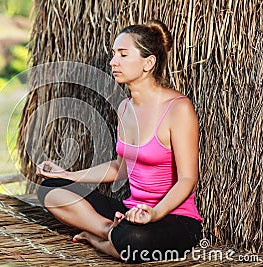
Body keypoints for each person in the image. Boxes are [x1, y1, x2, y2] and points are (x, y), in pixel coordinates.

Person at [36, 20, 203, 263]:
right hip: (129, 211)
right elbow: (120, 168)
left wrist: (154, 213)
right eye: (114, 54)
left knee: (133, 239)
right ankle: (107, 231)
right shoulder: (125, 108)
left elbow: (188, 179)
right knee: (51, 190)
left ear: (149, 63)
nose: (113, 62)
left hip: (173, 218)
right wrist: (70, 175)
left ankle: (100, 238)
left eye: (123, 55)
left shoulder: (178, 109)